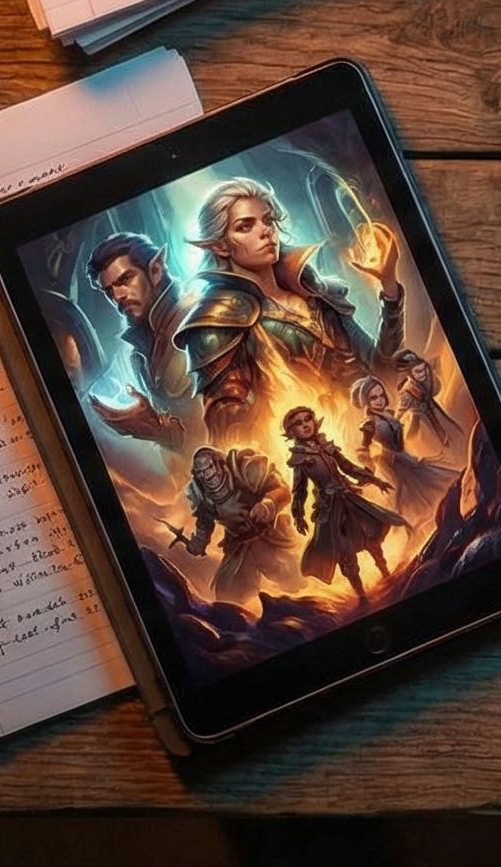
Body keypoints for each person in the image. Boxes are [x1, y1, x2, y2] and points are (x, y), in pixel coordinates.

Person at [172, 178, 412, 443]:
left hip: (379, 434)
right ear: (220, 245)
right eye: (244, 226)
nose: (265, 232)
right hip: (318, 452)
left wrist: (389, 286)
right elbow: (232, 433)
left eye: (268, 220)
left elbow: (381, 366)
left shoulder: (318, 294)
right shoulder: (217, 325)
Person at [282, 405, 405, 601]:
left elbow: (347, 467)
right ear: (291, 431)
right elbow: (299, 490)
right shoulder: (300, 460)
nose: (305, 425)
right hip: (329, 510)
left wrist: (374, 480)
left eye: (307, 419)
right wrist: (298, 514)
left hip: (348, 498)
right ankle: (362, 596)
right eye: (298, 423)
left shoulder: (327, 447)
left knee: (371, 535)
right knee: (344, 552)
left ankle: (386, 573)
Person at [83, 232, 191, 445]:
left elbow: (224, 423)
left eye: (125, 279)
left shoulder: (195, 320)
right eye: (108, 291)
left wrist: (156, 428)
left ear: (156, 270)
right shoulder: (140, 353)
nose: (117, 296)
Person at [176, 445, 294, 598]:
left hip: (270, 534)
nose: (207, 476)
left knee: (287, 577)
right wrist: (199, 541)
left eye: (209, 467)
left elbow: (282, 491)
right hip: (238, 543)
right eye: (201, 473)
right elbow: (205, 520)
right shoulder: (200, 493)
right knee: (227, 592)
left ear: (220, 463)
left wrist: (268, 505)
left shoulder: (244, 469)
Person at [352, 372, 462, 528]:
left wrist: (415, 415)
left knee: (435, 477)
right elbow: (362, 450)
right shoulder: (369, 424)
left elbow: (403, 435)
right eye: (373, 398)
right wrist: (370, 470)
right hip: (393, 466)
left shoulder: (389, 414)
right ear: (365, 401)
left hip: (405, 459)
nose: (380, 400)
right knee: (412, 496)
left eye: (381, 395)